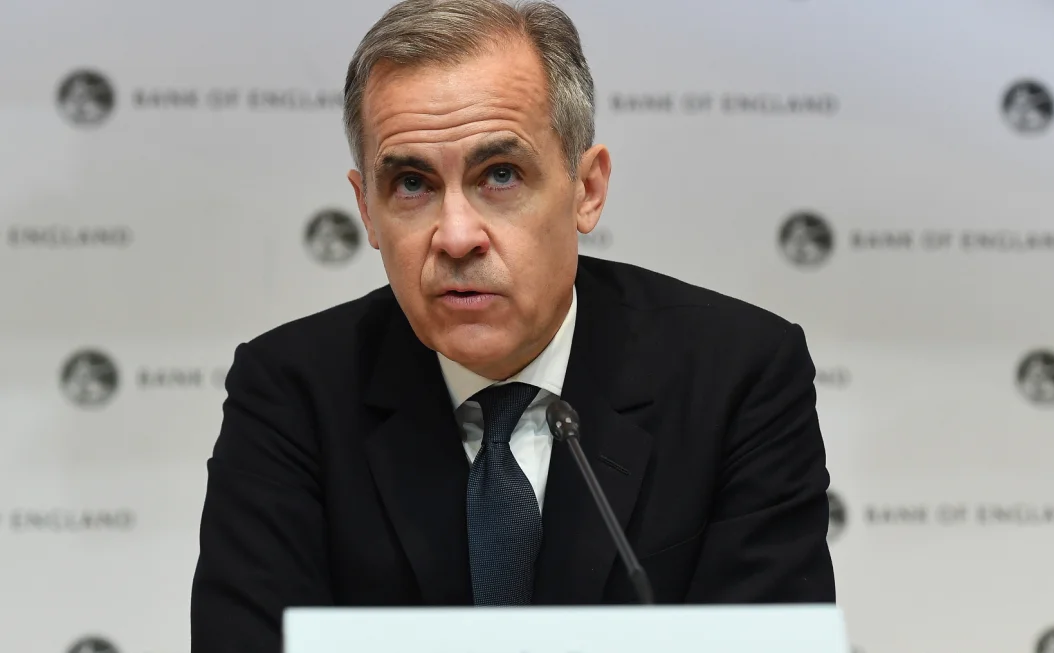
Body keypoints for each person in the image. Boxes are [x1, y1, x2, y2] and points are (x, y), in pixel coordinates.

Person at [190, 0, 835, 650]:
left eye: (500, 175)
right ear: (366, 210)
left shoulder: (736, 375)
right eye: (411, 184)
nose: (457, 236)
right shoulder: (291, 392)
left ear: (586, 189)